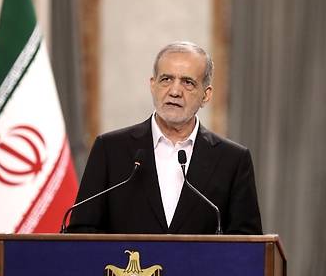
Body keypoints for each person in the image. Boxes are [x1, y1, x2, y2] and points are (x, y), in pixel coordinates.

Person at [67, 41, 262, 234]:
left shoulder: (233, 160)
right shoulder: (110, 150)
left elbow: (247, 244)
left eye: (188, 82)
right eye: (166, 79)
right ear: (153, 85)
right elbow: (82, 231)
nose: (175, 91)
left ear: (206, 94)